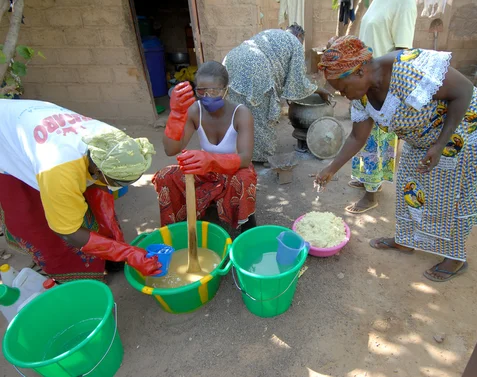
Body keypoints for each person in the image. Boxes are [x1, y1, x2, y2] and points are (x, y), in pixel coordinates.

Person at [316, 36, 477, 282]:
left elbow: (463, 90)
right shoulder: (362, 97)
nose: (344, 95)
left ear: (360, 71)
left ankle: (455, 257)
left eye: (343, 89)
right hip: (422, 137)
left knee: (453, 193)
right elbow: (357, 137)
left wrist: (441, 144)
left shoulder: (407, 68)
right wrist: (331, 168)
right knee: (410, 184)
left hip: (465, 127)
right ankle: (406, 241)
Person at [0, 100, 160, 282]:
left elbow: (99, 185)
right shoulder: (58, 169)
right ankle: (69, 273)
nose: (122, 186)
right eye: (118, 182)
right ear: (99, 170)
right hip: (7, 140)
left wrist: (111, 231)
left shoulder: (113, 142)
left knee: (94, 209)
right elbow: (68, 232)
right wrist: (128, 253)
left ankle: (108, 252)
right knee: (40, 219)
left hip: (35, 124)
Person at [153, 61, 257, 231]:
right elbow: (170, 149)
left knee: (245, 177)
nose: (207, 96)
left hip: (232, 171)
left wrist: (211, 159)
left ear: (225, 90)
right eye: (201, 91)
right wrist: (176, 115)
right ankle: (176, 229)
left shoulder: (240, 113)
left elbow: (245, 158)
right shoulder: (195, 110)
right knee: (165, 176)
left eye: (214, 91)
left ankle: (246, 227)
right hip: (205, 169)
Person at [346, 0, 417, 214]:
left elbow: (402, 51)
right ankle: (366, 178)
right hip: (365, 79)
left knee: (375, 137)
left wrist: (375, 77)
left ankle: (371, 193)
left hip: (381, 84)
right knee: (361, 133)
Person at [223, 24, 331, 163]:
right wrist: (319, 90)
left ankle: (235, 152)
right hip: (256, 67)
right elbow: (298, 81)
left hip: (231, 60)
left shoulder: (270, 33)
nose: (301, 45)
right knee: (262, 116)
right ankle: (261, 157)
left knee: (238, 111)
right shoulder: (294, 42)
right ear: (299, 36)